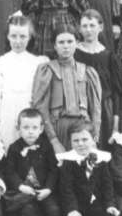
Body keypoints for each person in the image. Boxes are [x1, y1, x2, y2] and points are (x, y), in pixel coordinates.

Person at [57, 120, 122, 216]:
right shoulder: (68, 161)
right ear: (70, 142)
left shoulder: (102, 159)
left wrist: (109, 205)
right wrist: (72, 209)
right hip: (77, 205)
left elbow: (108, 185)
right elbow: (66, 189)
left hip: (97, 204)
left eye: (85, 139)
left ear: (94, 139)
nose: (80, 144)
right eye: (76, 140)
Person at [3, 108, 64, 216]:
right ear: (18, 128)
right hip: (25, 193)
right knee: (28, 211)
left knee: (53, 211)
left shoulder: (46, 146)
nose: (30, 132)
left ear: (41, 129)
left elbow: (53, 170)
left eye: (34, 128)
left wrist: (49, 189)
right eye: (26, 128)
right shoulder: (14, 148)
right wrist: (20, 186)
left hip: (43, 191)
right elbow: (9, 172)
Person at [32, 24, 102, 153]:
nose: (66, 46)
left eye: (70, 41)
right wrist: (53, 140)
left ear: (77, 43)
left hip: (83, 128)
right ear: (55, 46)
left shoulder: (87, 71)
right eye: (61, 42)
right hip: (58, 128)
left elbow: (96, 108)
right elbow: (40, 106)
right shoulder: (47, 70)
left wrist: (94, 137)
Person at [0, 15, 48, 148]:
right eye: (13, 36)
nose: (18, 41)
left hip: (30, 115)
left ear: (29, 37)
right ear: (7, 36)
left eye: (23, 37)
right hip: (7, 116)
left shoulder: (37, 62)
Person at [74, 9, 122, 148]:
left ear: (100, 27)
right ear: (79, 28)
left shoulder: (108, 57)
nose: (88, 30)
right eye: (84, 26)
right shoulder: (74, 54)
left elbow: (116, 92)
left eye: (92, 25)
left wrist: (115, 124)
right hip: (81, 109)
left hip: (104, 111)